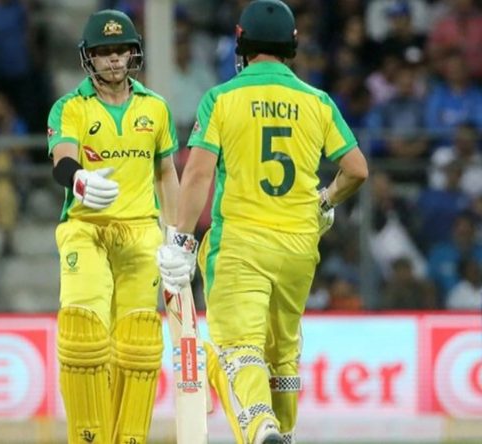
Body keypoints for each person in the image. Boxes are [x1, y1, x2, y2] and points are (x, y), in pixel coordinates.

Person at [157, 1, 368, 443]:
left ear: (242, 43)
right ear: (292, 45)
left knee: (241, 346)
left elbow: (197, 174)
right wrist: (324, 202)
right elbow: (356, 170)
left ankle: (260, 425)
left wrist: (181, 239)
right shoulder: (317, 101)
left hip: (241, 244)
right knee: (283, 353)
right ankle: (284, 434)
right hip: (298, 247)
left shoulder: (221, 98)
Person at [47, 9, 180, 444]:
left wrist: (178, 237)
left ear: (133, 52)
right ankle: (89, 437)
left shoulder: (155, 108)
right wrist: (79, 181)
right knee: (84, 335)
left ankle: (130, 439)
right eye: (105, 52)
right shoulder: (71, 107)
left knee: (138, 345)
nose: (115, 59)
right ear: (89, 57)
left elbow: (167, 174)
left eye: (122, 49)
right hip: (85, 228)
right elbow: (62, 159)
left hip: (141, 232)